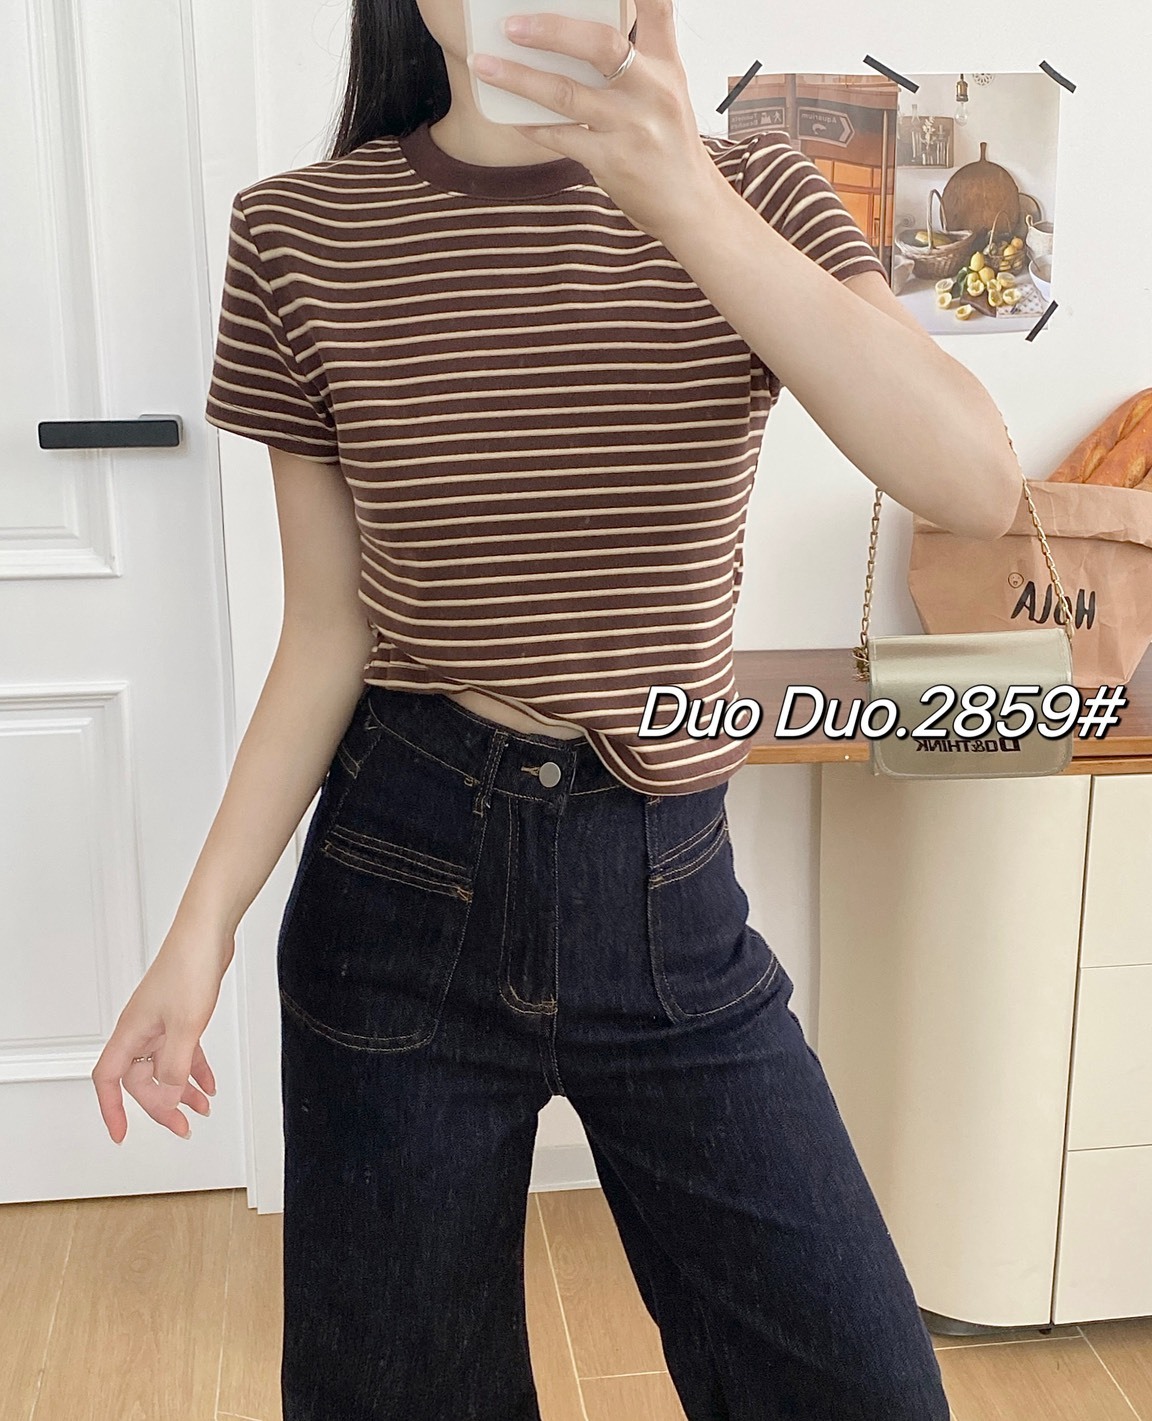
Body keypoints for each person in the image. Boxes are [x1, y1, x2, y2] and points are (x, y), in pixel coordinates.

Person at [90, 0, 1022, 1415]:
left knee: (861, 1387)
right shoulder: (301, 233)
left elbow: (976, 483)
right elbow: (330, 628)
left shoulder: (753, 190)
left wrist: (683, 196)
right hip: (399, 878)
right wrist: (200, 927)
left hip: (669, 889)